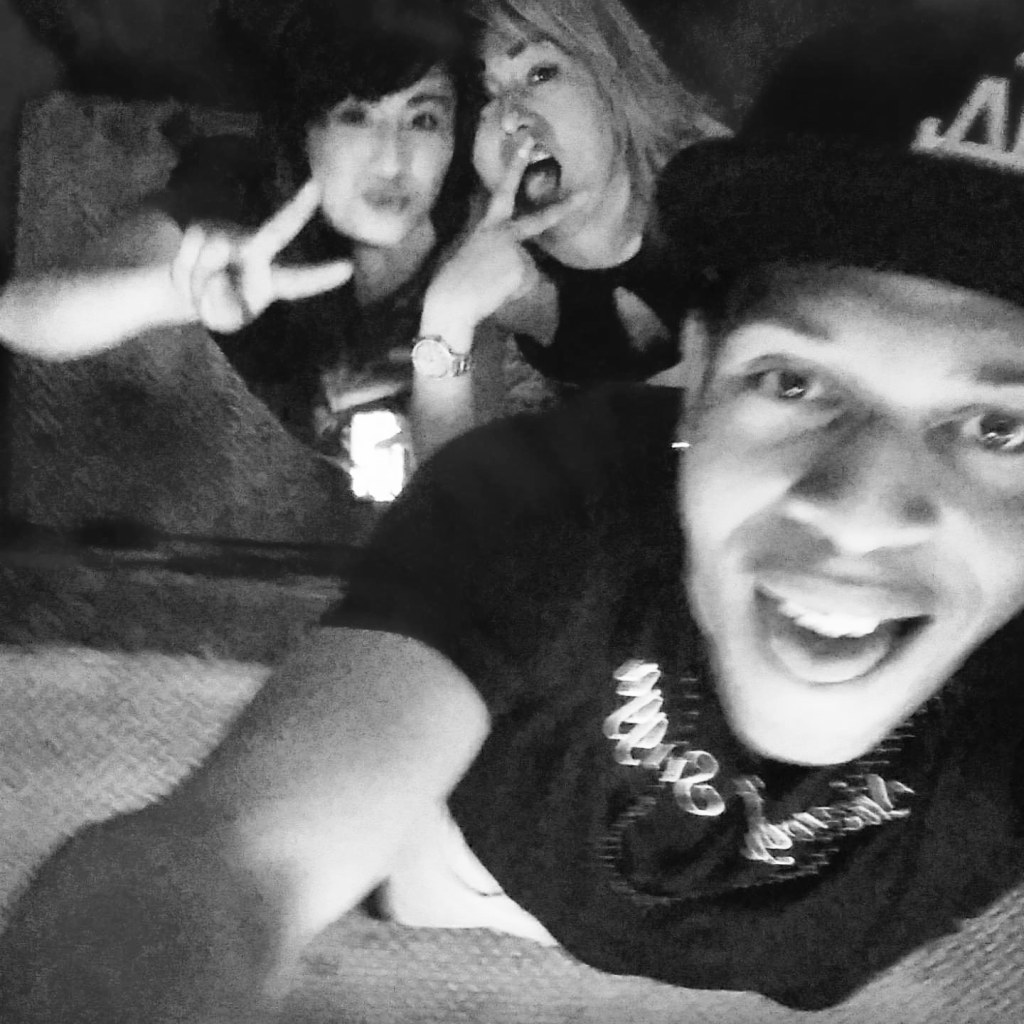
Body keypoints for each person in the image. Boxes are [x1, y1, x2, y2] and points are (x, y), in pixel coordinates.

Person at [9, 6, 1024, 1021]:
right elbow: (223, 863)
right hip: (500, 852)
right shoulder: (513, 381)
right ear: (702, 376)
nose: (859, 513)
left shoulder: (636, 230)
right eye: (794, 382)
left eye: (1000, 428)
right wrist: (189, 290)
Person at [0, 0, 481, 481]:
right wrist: (176, 289)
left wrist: (452, 321)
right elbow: (21, 316)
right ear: (302, 129)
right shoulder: (243, 195)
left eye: (423, 119)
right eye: (355, 115)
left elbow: (462, 489)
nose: (392, 161)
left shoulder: (477, 233)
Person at [408, 0, 725, 455]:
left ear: (612, 81)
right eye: (483, 98)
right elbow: (448, 485)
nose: (512, 117)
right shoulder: (476, 282)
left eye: (540, 74)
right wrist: (446, 318)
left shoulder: (724, 201)